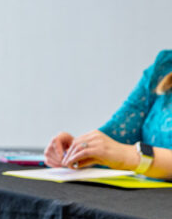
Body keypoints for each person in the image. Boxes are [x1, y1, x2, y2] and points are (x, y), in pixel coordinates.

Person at [45, 49, 172, 179]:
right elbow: (115, 139)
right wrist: (79, 150)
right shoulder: (164, 67)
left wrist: (131, 156)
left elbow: (122, 153)